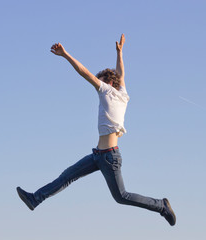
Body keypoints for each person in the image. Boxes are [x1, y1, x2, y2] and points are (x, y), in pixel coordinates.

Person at [16, 34, 176, 226]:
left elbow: (85, 73)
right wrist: (120, 52)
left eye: (99, 81)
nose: (96, 85)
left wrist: (65, 54)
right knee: (67, 176)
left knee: (121, 196)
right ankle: (35, 199)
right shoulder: (122, 94)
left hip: (109, 157)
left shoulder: (107, 91)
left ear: (107, 83)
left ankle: (161, 206)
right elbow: (121, 74)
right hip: (98, 156)